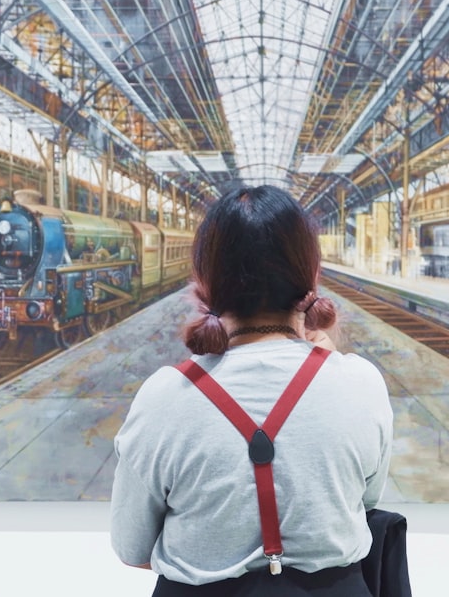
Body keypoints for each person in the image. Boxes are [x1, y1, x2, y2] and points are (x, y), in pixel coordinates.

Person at [110, 185, 394, 596]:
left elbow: (130, 547)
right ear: (310, 276)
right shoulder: (362, 383)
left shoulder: (164, 397)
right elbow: (362, 504)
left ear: (205, 280)